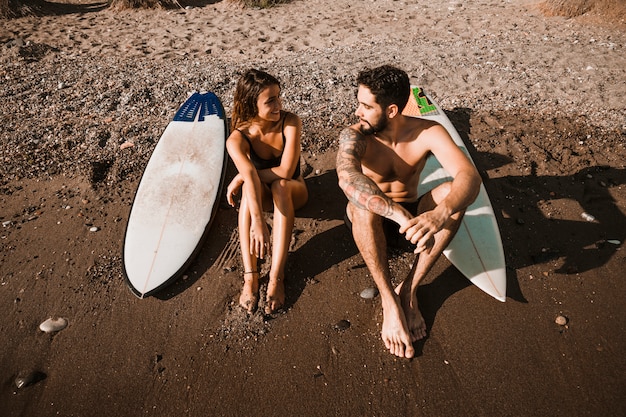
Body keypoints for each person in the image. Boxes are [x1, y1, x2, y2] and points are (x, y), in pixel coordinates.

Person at [336, 65, 481, 358]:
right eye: (358, 103)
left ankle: (409, 291)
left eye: (366, 106)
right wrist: (398, 215)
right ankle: (389, 301)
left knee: (451, 194)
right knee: (360, 206)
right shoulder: (355, 136)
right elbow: (348, 178)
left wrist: (441, 213)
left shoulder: (427, 132)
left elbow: (470, 177)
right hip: (374, 225)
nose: (357, 112)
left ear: (391, 110)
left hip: (415, 223)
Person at [226, 69, 308, 314]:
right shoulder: (237, 139)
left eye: (278, 97)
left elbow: (285, 170)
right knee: (247, 200)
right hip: (263, 198)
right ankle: (251, 276)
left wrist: (244, 175)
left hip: (295, 192)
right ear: (251, 104)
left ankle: (276, 276)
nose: (278, 105)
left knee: (279, 186)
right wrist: (258, 221)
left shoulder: (290, 121)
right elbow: (252, 183)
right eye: (270, 100)